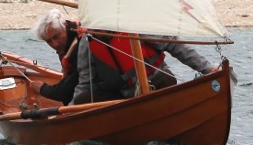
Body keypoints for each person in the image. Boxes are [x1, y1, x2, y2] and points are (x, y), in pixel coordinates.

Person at [71, 32, 218, 104]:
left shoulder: (134, 25)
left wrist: (207, 68)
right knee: (82, 100)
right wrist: (70, 110)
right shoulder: (88, 41)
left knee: (163, 80)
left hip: (159, 85)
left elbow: (174, 45)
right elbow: (85, 83)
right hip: (127, 98)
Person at [30, 9, 81, 104]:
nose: (55, 44)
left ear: (65, 26)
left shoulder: (79, 46)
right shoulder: (67, 43)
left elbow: (66, 92)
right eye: (48, 41)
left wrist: (42, 89)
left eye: (56, 37)